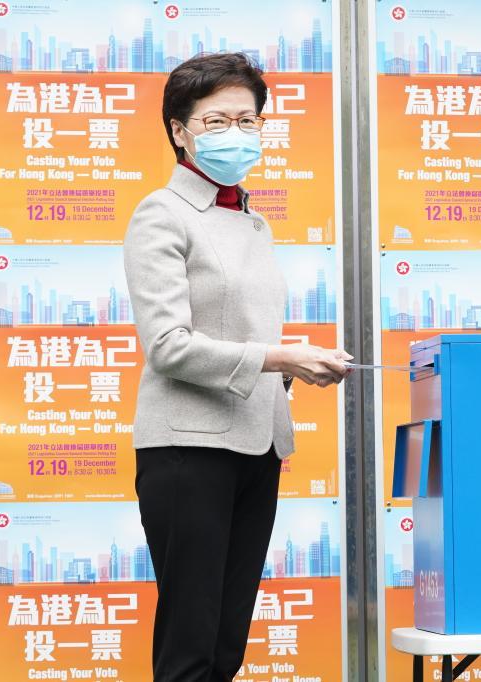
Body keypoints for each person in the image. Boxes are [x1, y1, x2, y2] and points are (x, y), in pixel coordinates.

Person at [122, 52, 350, 682]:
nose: (237, 133)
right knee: (191, 647)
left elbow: (240, 336)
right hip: (188, 451)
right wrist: (281, 357)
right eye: (217, 121)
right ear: (179, 131)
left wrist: (298, 366)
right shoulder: (162, 213)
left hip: (255, 444)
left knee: (226, 644)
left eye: (248, 120)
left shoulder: (252, 220)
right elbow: (169, 346)